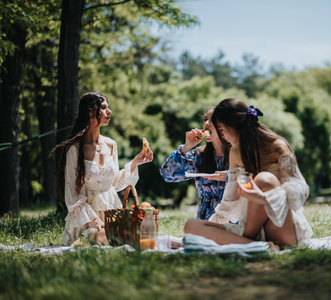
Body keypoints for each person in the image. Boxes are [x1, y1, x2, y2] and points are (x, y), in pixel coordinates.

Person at [184, 98, 313, 249]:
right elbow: (229, 203)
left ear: (232, 126)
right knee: (191, 226)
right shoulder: (235, 151)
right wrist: (210, 227)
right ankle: (260, 247)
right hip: (250, 229)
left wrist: (264, 198)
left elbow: (301, 190)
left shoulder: (276, 146)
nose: (221, 136)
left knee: (265, 180)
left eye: (221, 130)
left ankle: (249, 244)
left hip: (281, 225)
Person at [54, 92, 153, 246]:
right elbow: (73, 195)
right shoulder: (74, 149)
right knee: (107, 238)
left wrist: (135, 162)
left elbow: (114, 184)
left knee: (140, 234)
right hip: (85, 218)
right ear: (91, 111)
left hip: (112, 211)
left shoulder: (111, 145)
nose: (110, 111)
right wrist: (93, 220)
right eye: (104, 107)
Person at [160, 107, 229, 220]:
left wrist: (229, 176)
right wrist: (187, 147)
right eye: (206, 119)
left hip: (232, 218)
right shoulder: (199, 155)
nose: (206, 123)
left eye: (212, 120)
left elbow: (254, 178)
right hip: (206, 220)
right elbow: (167, 175)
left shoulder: (239, 154)